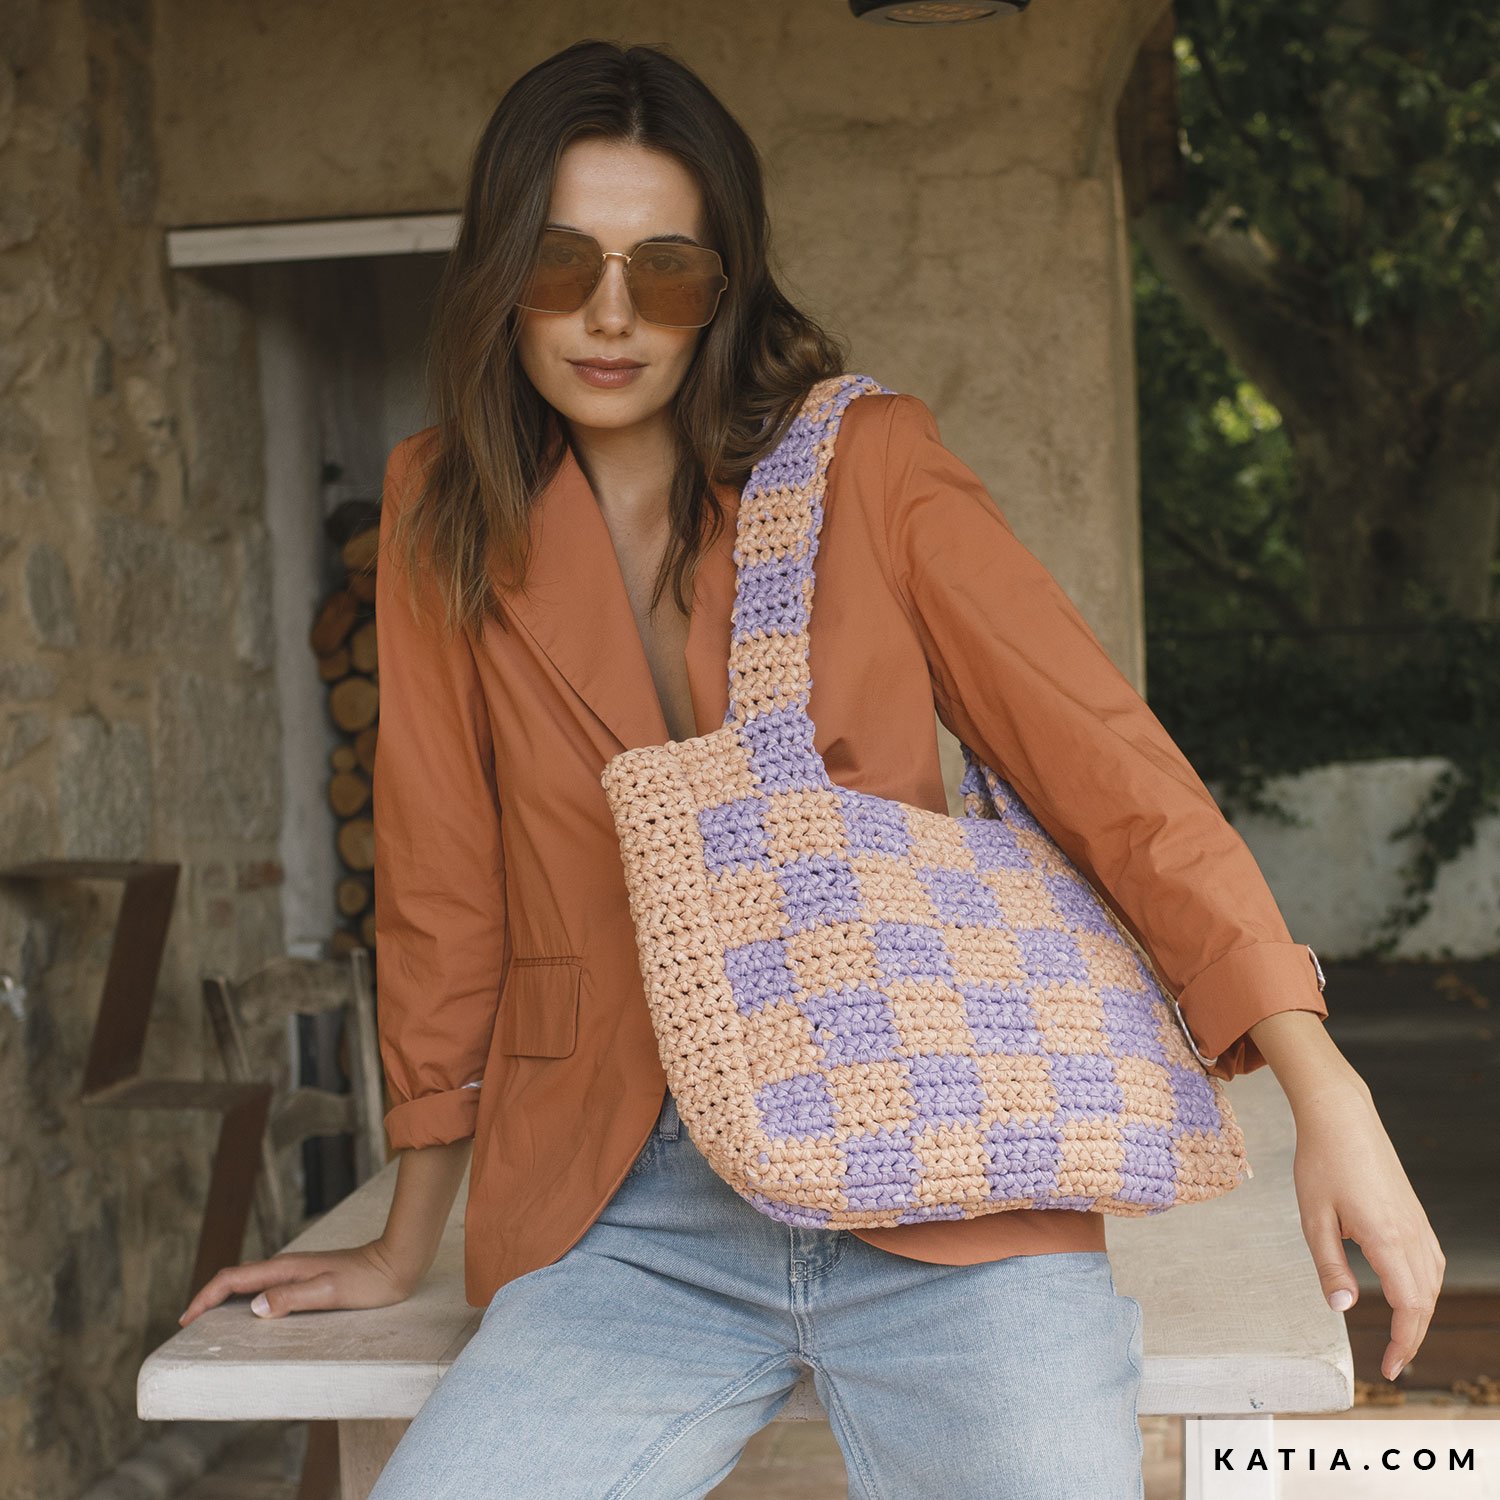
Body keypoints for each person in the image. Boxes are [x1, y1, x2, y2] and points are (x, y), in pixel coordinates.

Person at [179, 38, 1445, 1499]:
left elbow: (1109, 770)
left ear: (723, 286)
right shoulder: (440, 506)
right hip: (624, 1213)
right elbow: (442, 884)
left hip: (947, 1176)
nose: (610, 316)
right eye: (560, 265)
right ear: (496, 276)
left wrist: (1326, 1089)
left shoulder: (867, 464)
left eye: (664, 272)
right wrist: (406, 1239)